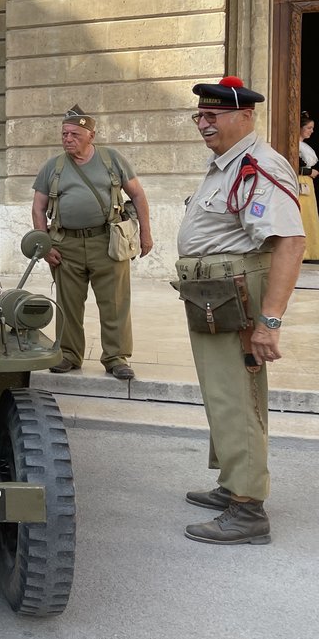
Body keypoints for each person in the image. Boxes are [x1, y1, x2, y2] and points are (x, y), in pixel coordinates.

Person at [177, 77, 305, 545]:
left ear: (245, 117)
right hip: (216, 292)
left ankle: (248, 510)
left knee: (237, 395)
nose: (203, 124)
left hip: (238, 294)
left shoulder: (258, 165)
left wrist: (269, 322)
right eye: (200, 116)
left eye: (213, 116)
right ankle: (233, 483)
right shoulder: (225, 165)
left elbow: (290, 242)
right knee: (222, 391)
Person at [31, 105, 153, 380]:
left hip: (107, 242)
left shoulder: (112, 160)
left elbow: (138, 195)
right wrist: (45, 245)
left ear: (91, 136)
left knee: (115, 303)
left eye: (74, 133)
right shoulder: (53, 167)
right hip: (66, 245)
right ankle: (69, 355)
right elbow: (38, 208)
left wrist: (145, 233)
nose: (67, 138)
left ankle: (116, 357)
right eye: (64, 133)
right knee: (69, 304)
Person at [296, 112, 319, 261]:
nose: (311, 131)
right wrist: (309, 171)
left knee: (309, 216)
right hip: (299, 182)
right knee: (301, 215)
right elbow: (292, 165)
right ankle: (301, 253)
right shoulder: (294, 146)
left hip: (306, 183)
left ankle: (310, 251)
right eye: (309, 127)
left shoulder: (303, 147)